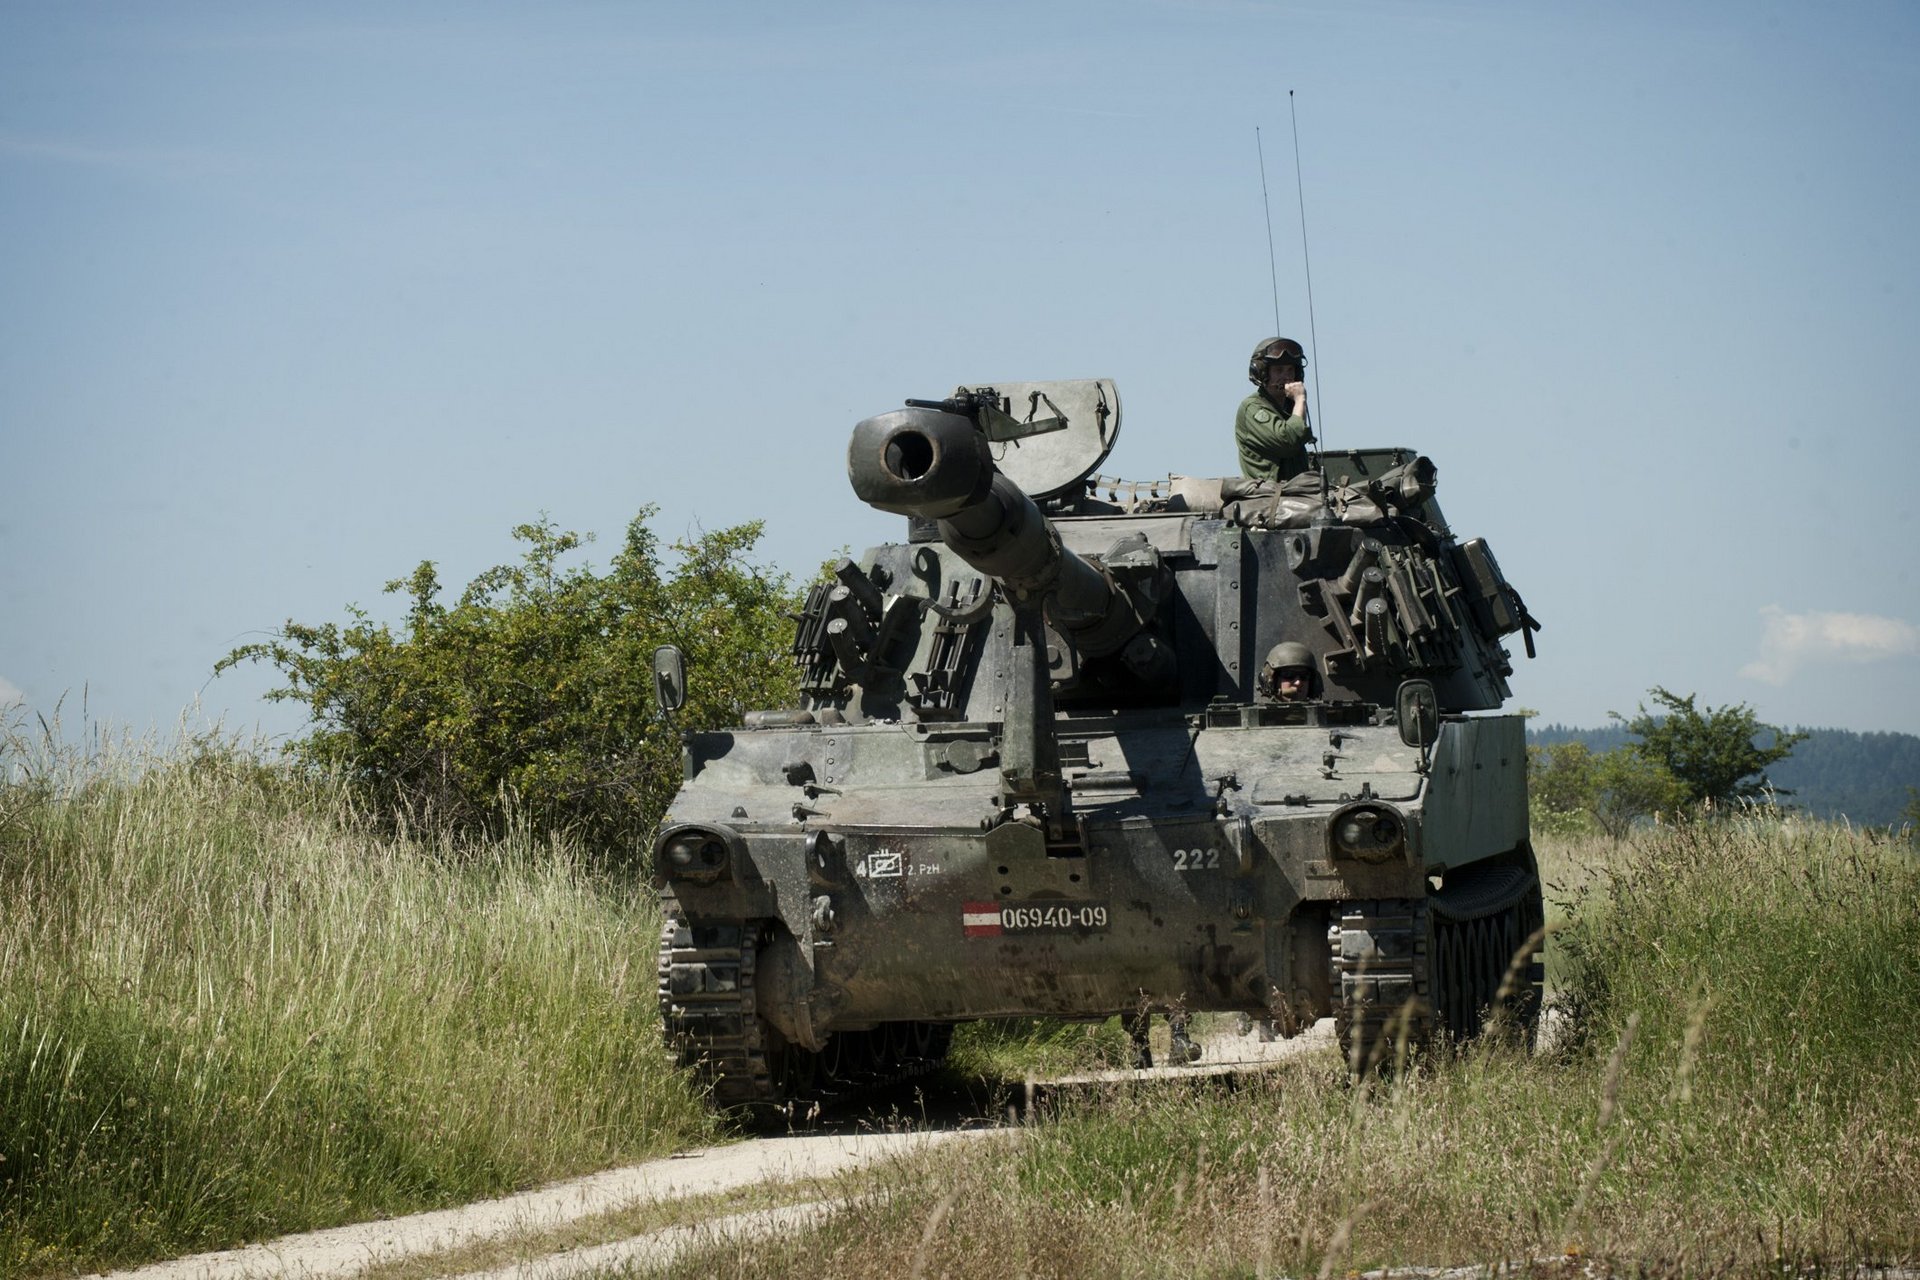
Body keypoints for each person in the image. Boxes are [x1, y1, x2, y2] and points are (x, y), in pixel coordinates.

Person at [1236, 337, 1313, 482]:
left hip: (1296, 491)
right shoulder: (1252, 408)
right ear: (1262, 373)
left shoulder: (1289, 407)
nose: (1287, 377)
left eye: (1290, 370)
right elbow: (1288, 442)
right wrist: (1300, 400)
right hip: (1267, 495)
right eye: (1279, 370)